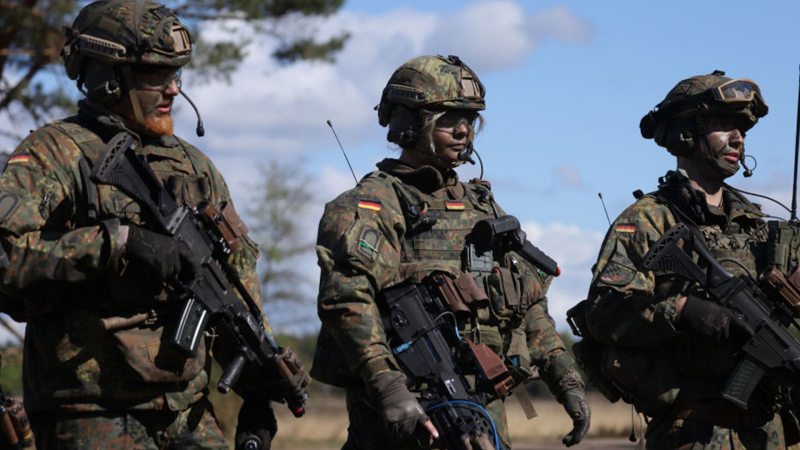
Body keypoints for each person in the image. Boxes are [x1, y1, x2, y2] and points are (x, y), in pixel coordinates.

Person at [0, 1, 306, 448]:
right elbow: (6, 257)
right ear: (107, 76)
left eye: (176, 74)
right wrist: (118, 242)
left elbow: (233, 290)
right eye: (154, 75)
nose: (173, 90)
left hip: (188, 412)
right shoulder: (55, 153)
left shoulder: (195, 167)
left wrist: (257, 392)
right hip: (90, 413)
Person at [312, 54, 590, 449]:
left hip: (483, 414)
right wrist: (387, 385)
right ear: (409, 122)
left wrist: (566, 379)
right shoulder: (374, 203)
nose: (463, 130)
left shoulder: (484, 207)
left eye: (470, 119)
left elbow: (527, 302)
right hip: (409, 415)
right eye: (447, 118)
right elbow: (346, 300)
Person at [574, 71, 799, 449]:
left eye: (742, 128)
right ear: (685, 132)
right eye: (723, 124)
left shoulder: (758, 227)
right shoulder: (648, 219)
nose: (738, 137)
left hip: (765, 434)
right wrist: (683, 311)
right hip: (691, 433)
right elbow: (603, 314)